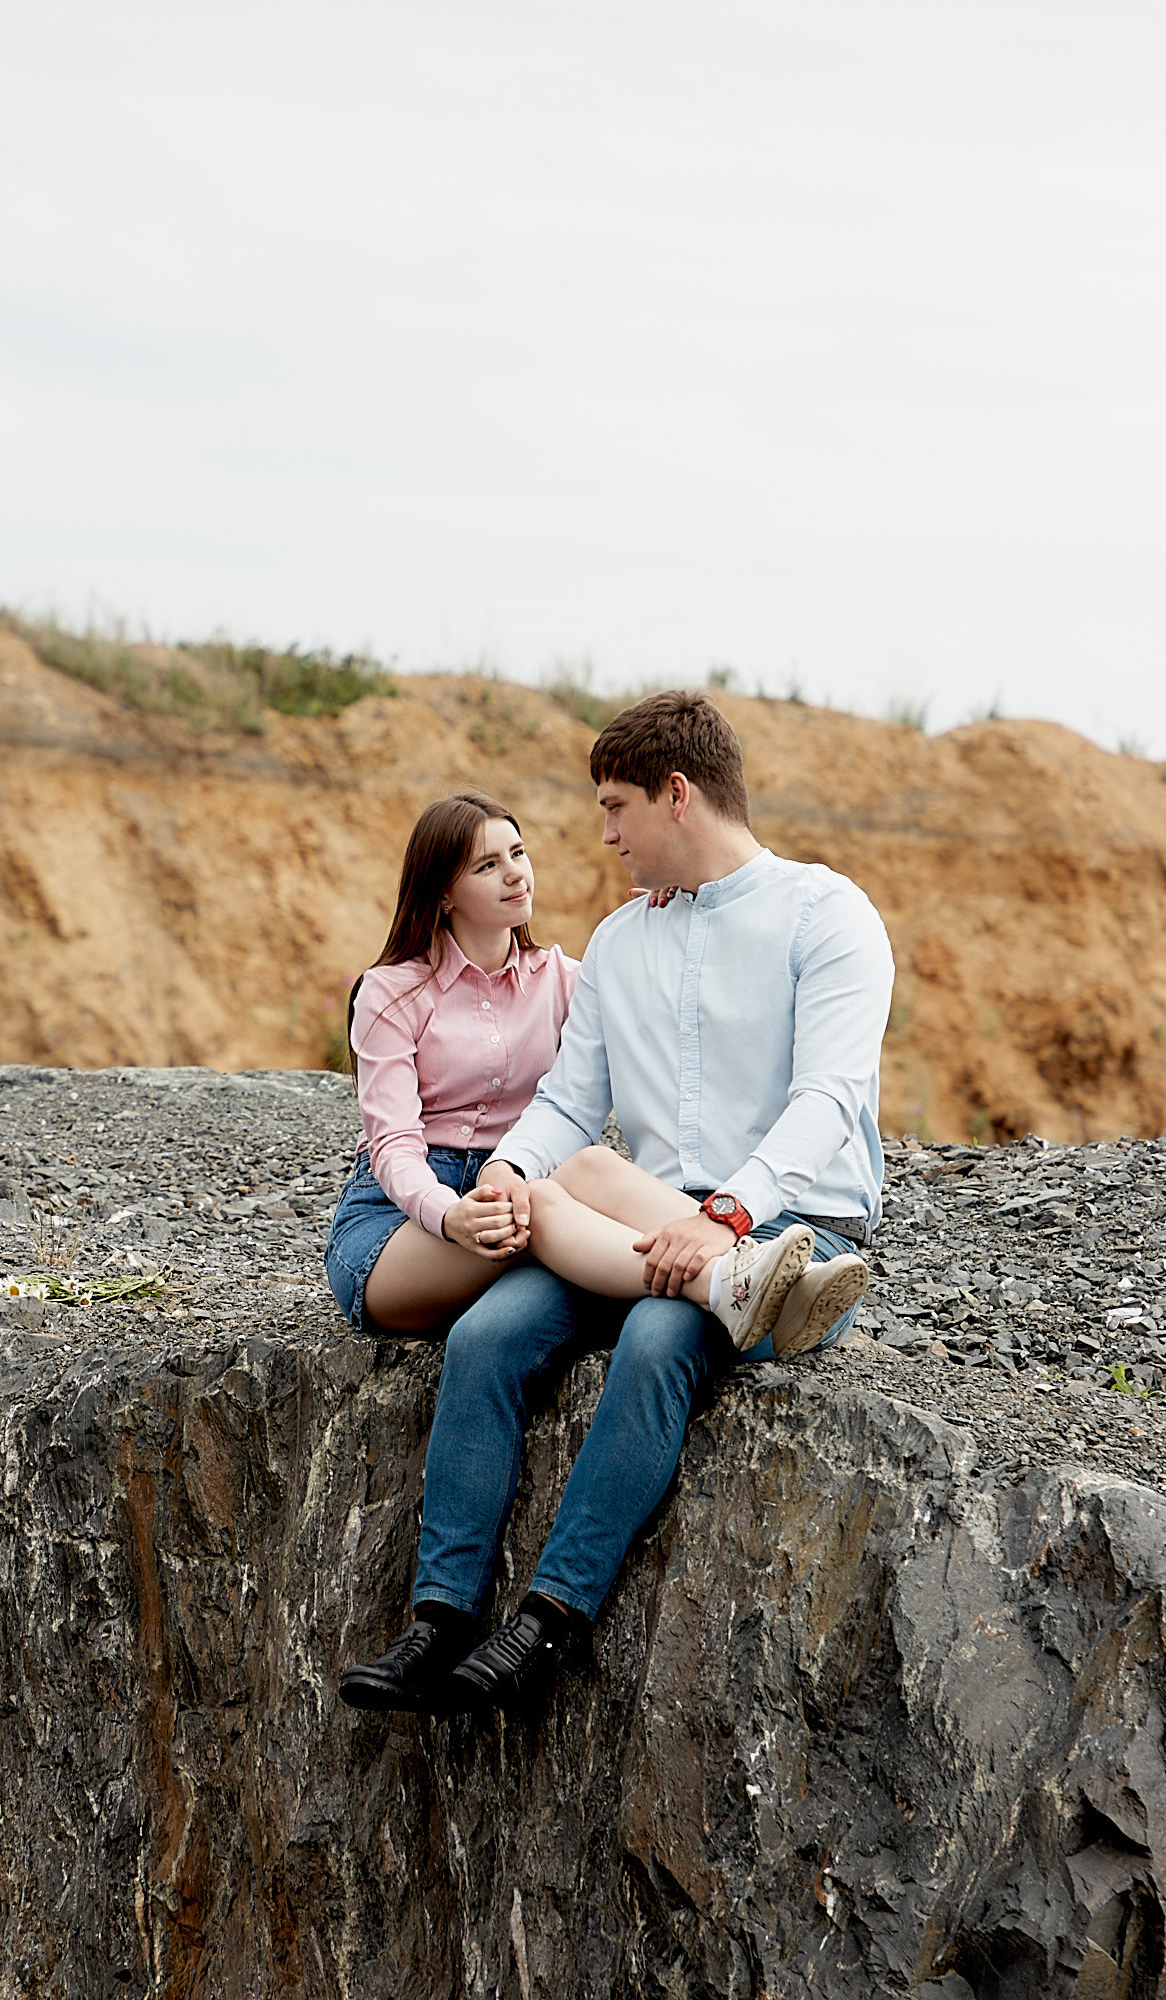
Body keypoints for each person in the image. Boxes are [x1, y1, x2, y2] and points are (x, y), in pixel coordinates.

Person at [339, 689, 895, 1718]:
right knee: (489, 1333)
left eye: (615, 808)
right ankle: (441, 1614)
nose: (602, 836)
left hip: (793, 1232)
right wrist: (507, 1172)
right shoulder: (618, 941)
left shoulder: (827, 915)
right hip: (636, 1221)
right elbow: (567, 1100)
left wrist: (726, 1214)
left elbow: (828, 1099)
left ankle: (549, 1617)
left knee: (652, 1338)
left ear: (675, 794)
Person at [324, 789, 579, 1337]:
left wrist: (666, 910)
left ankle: (733, 1264)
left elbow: (663, 1009)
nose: (516, 875)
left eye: (519, 853)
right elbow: (392, 1142)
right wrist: (448, 1214)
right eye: (488, 865)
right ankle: (720, 1287)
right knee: (545, 1214)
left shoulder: (560, 978)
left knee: (578, 1183)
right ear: (444, 894)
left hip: (515, 1184)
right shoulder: (390, 992)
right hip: (400, 1221)